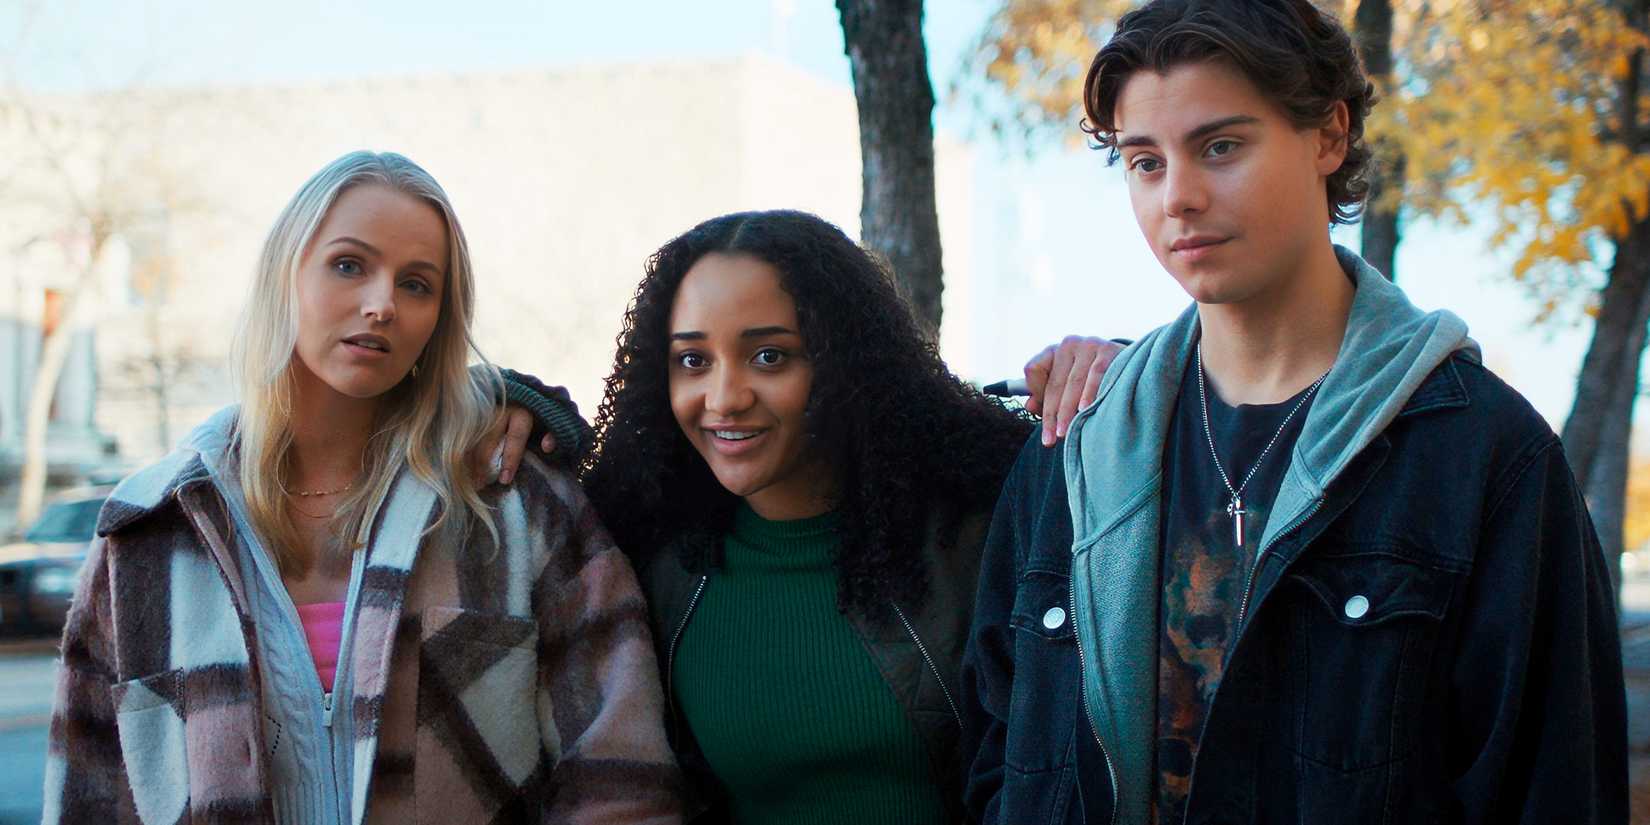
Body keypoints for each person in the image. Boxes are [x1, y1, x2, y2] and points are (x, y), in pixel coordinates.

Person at [959, 2, 1628, 823]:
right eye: (1145, 163)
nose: (1180, 198)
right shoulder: (1075, 446)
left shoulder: (1485, 454)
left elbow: (1553, 787)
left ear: (1329, 136)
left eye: (1221, 147)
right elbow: (997, 748)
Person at [41, 151, 681, 824]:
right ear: (285, 274)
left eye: (417, 284)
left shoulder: (512, 502)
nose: (381, 305)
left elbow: (622, 770)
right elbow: (88, 794)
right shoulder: (150, 533)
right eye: (349, 265)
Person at [501, 208, 1103, 824]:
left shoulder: (981, 528)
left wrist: (1122, 372)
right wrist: (500, 404)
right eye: (693, 360)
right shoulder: (653, 557)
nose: (725, 399)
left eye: (769, 356)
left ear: (844, 362)